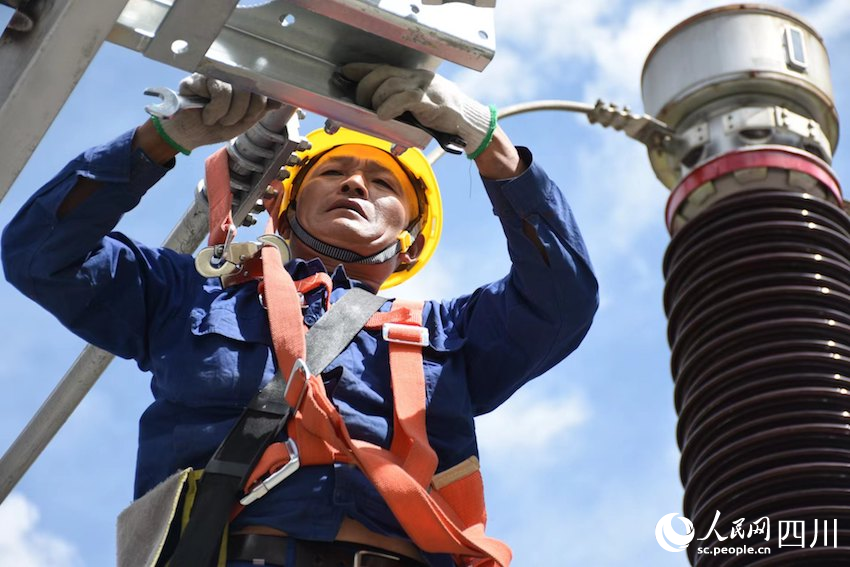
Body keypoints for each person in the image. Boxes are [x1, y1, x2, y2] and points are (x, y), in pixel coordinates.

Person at [2, 65, 598, 566]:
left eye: (383, 182)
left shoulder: (448, 337)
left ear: (411, 243)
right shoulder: (190, 298)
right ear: (284, 211)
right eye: (334, 172)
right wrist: (166, 135)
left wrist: (487, 142)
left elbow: (562, 299)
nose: (356, 185)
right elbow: (40, 254)